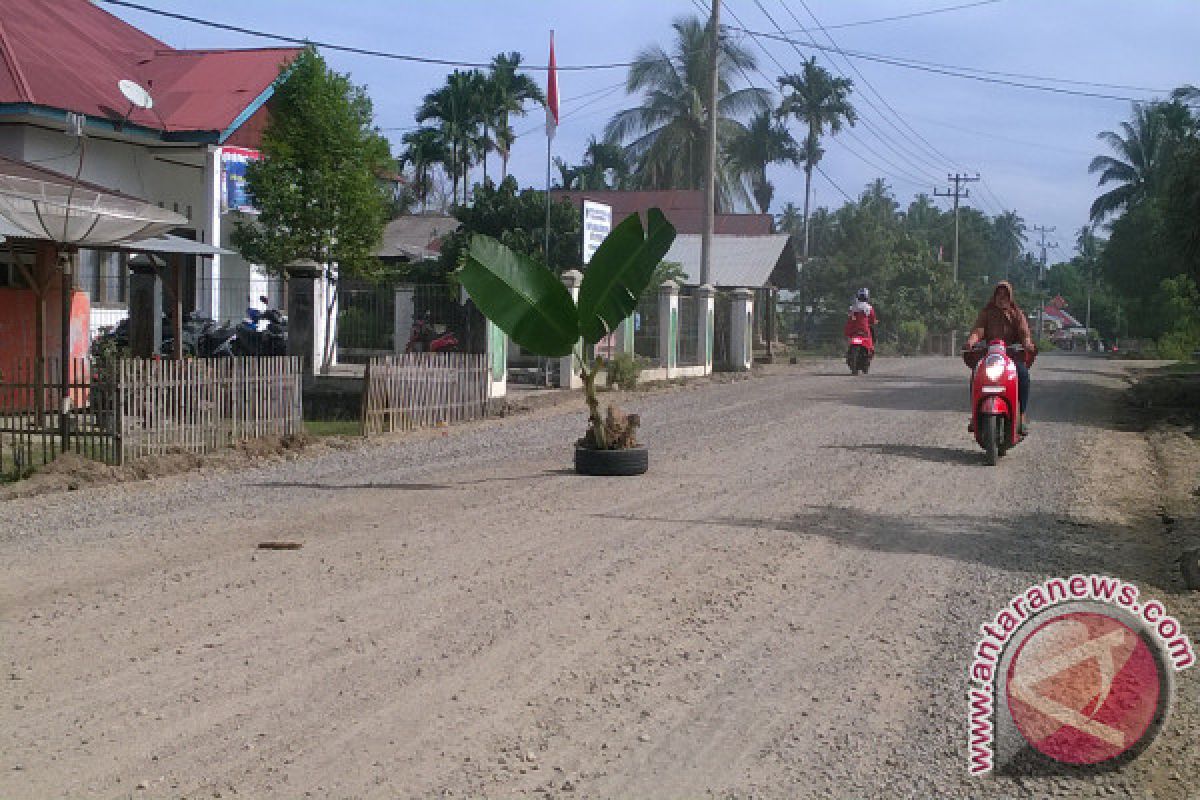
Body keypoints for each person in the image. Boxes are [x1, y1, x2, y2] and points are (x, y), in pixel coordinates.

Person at [964, 280, 1035, 435]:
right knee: (976, 375)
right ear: (994, 296)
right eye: (999, 294)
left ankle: (1021, 415)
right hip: (990, 355)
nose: (1001, 298)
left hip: (1011, 355)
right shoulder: (986, 313)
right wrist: (971, 341)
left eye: (1005, 295)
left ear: (1010, 297)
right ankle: (975, 415)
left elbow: (1024, 334)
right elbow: (978, 330)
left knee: (1023, 375)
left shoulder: (1017, 314)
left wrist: (1027, 343)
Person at [844, 287, 878, 353]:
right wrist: (874, 321)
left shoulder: (852, 307)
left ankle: (848, 350)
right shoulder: (869, 308)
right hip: (864, 330)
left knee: (848, 335)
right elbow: (872, 319)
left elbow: (850, 318)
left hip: (852, 329)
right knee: (871, 335)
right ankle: (871, 349)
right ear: (867, 297)